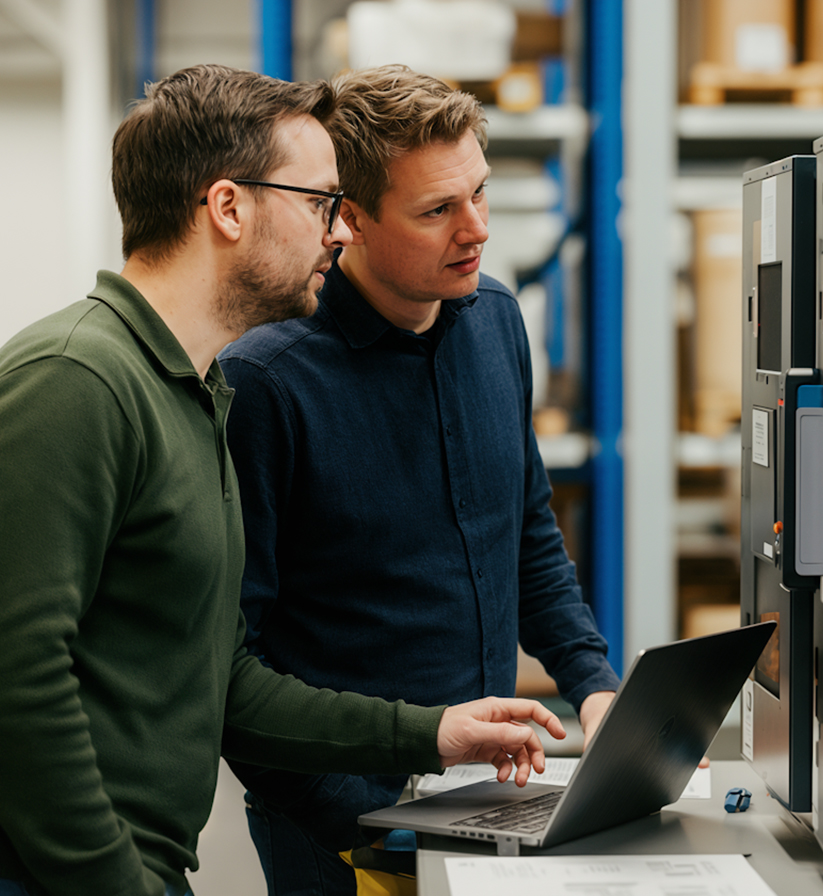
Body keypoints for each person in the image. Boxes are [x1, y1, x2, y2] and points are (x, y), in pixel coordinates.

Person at [0, 64, 568, 896]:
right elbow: (18, 675)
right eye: (318, 203)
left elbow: (227, 680)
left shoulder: (195, 395)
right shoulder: (74, 378)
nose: (338, 234)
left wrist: (433, 733)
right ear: (228, 208)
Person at [219, 64, 622, 896]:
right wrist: (354, 830)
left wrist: (594, 686)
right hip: (336, 831)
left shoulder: (497, 320)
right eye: (437, 210)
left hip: (482, 798)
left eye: (477, 193)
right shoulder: (264, 381)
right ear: (351, 218)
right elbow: (230, 661)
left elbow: (527, 535)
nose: (475, 229)